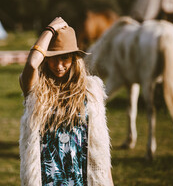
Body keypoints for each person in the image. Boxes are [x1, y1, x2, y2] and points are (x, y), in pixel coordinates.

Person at [19, 17, 114, 186]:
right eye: (53, 58)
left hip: (81, 178)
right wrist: (50, 29)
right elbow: (32, 63)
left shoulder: (90, 91)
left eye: (65, 58)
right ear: (46, 58)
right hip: (46, 179)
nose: (59, 65)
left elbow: (100, 146)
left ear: (74, 58)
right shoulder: (37, 89)